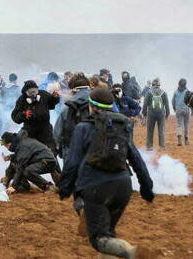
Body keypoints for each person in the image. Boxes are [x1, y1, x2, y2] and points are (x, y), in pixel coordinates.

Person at [59, 87, 154, 258]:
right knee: (108, 234)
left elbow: (72, 162)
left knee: (99, 239)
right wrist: (147, 188)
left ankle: (133, 252)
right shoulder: (123, 127)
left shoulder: (83, 128)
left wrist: (65, 188)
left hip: (95, 188)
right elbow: (137, 160)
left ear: (91, 106)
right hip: (123, 187)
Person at [11, 80, 60, 154]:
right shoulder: (21, 100)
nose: (33, 94)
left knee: (51, 152)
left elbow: (51, 105)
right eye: (30, 92)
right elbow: (15, 117)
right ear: (26, 93)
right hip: (30, 131)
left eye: (35, 91)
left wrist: (55, 97)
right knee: (31, 153)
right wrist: (24, 114)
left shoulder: (43, 94)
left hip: (45, 130)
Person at [54, 73, 90, 159]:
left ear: (72, 89)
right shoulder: (98, 104)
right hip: (93, 153)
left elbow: (57, 134)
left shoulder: (67, 107)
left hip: (71, 152)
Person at [142, 79, 170, 151]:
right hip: (161, 113)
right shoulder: (163, 93)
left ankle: (149, 146)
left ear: (152, 85)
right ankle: (162, 146)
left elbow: (145, 104)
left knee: (150, 130)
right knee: (161, 130)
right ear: (159, 85)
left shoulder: (149, 92)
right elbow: (166, 104)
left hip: (151, 113)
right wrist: (167, 114)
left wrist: (144, 113)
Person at [173, 79, 191, 146]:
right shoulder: (187, 91)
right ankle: (186, 140)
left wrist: (175, 108)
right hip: (186, 109)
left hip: (178, 109)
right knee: (186, 125)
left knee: (179, 125)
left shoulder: (176, 92)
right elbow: (190, 101)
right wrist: (191, 110)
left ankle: (179, 140)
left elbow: (173, 101)